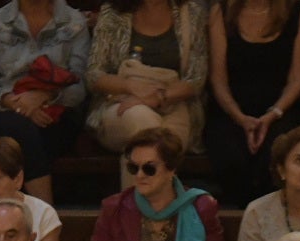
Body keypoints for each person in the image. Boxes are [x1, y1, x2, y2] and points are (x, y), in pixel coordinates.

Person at [85, 127, 229, 241]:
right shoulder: (114, 208)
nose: (139, 175)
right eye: (133, 167)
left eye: (149, 168)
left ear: (172, 169)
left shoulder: (202, 206)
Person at [0, 0, 91, 204]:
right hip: (4, 110)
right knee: (17, 129)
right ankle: (46, 214)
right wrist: (14, 102)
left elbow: (81, 85)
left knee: (25, 138)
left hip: (56, 113)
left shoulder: (74, 22)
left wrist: (46, 96)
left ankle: (17, 215)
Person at [203, 0, 300, 208]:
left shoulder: (297, 11)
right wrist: (240, 117)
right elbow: (218, 80)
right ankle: (241, 223)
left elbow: (298, 78)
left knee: (276, 152)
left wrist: (273, 114)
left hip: (281, 109)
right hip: (231, 110)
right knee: (231, 155)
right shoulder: (221, 11)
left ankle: (274, 220)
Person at [85, 0, 209, 160]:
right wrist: (132, 87)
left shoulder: (191, 12)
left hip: (173, 103)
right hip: (121, 103)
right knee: (144, 125)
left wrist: (158, 97)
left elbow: (196, 79)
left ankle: (139, 185)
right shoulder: (112, 13)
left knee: (165, 146)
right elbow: (93, 75)